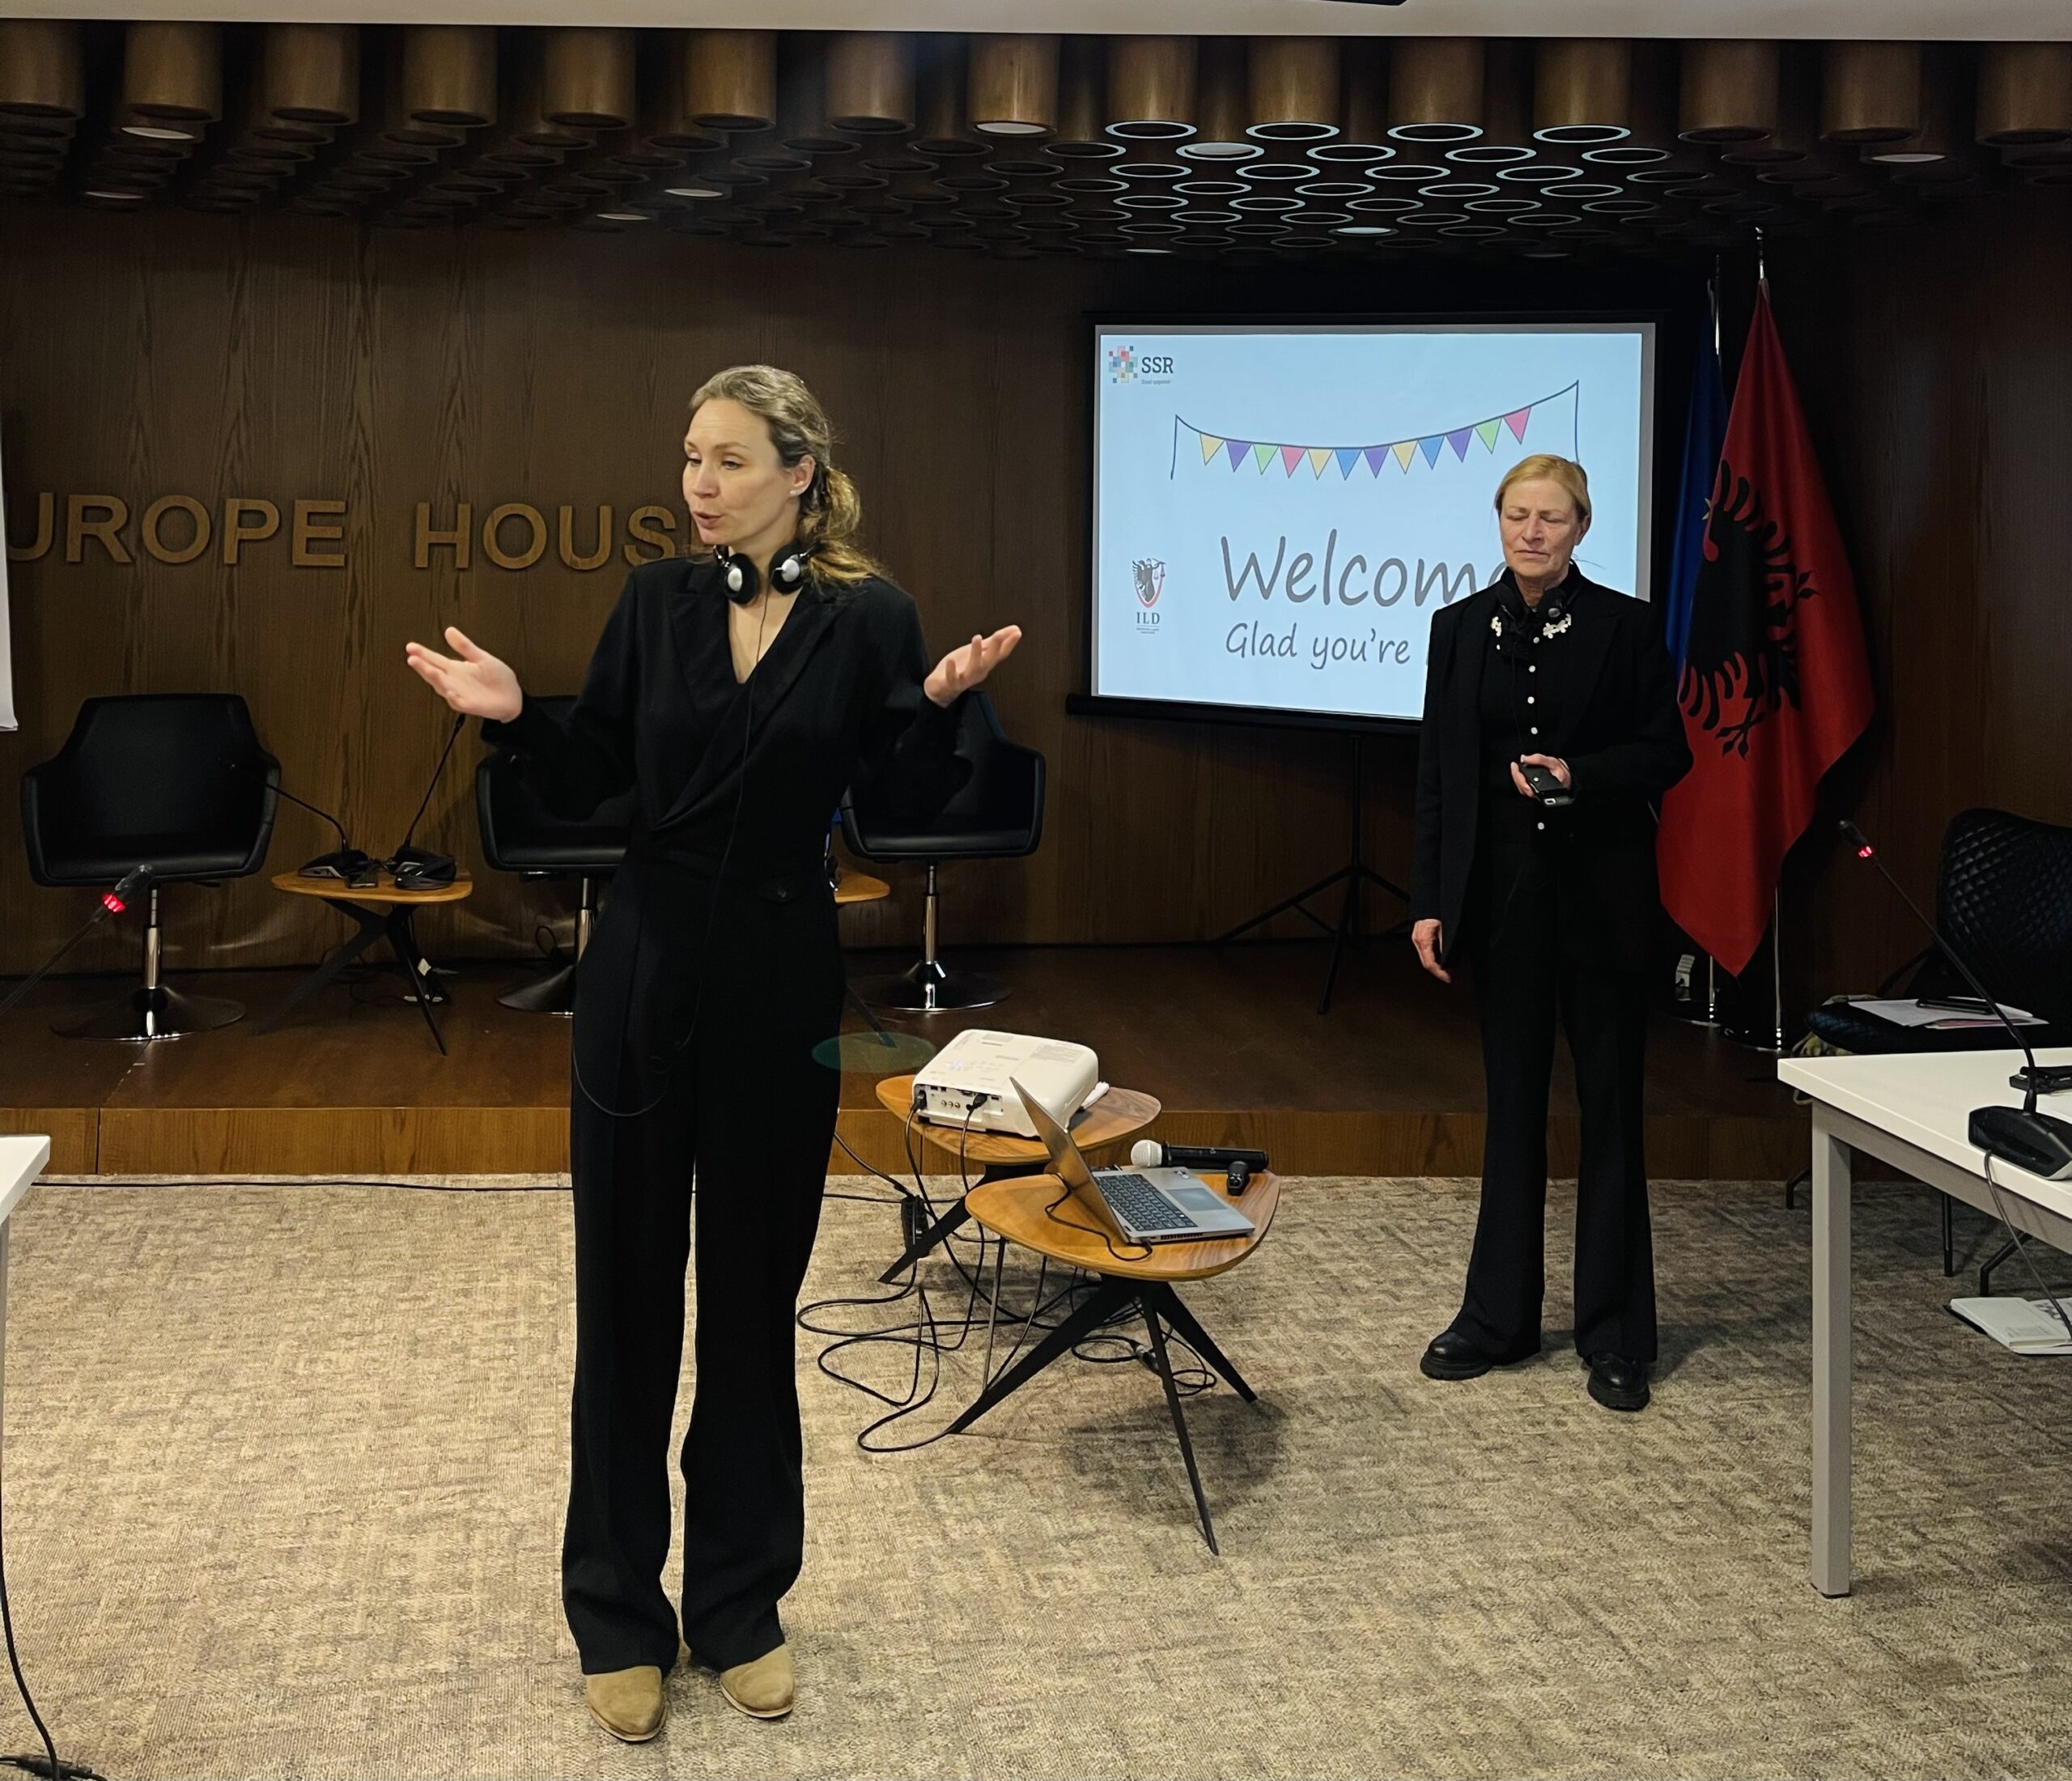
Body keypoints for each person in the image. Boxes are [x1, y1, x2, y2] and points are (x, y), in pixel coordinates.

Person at [405, 365, 1021, 1741]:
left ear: (800, 471)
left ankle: (740, 1604)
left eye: (729, 459)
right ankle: (617, 1614)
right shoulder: (655, 602)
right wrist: (515, 716)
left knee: (750, 1302)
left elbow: (899, 803)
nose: (699, 483)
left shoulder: (871, 617)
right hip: (644, 963)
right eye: (691, 456)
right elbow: (595, 773)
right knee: (625, 1300)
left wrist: (939, 705)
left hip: (780, 971)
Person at [1408, 453, 1691, 1414]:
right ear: (1498, 521)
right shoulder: (1455, 628)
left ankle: (1616, 1333)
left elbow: (1667, 752)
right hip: (1501, 902)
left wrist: (1582, 774)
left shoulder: (1625, 626)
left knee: (1609, 1107)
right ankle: (1498, 1318)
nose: (1532, 532)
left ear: (1581, 528)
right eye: (1517, 515)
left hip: (1602, 901)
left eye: (1552, 518)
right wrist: (1429, 899)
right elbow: (1439, 773)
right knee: (1511, 1105)